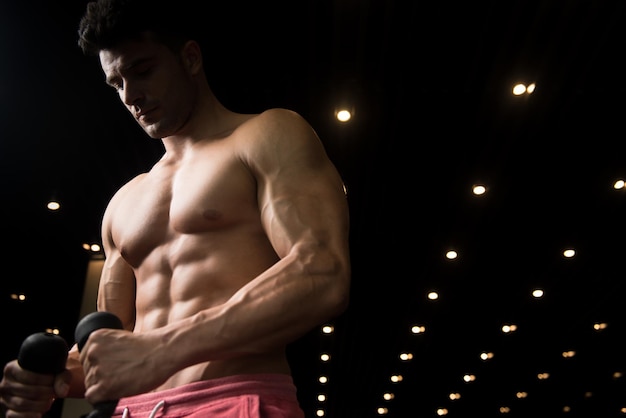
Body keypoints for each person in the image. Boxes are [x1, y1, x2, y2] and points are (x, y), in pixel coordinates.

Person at [0, 0, 351, 416]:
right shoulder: (125, 201)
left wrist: (162, 349)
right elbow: (114, 341)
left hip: (233, 398)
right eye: (116, 84)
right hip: (132, 410)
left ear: (189, 58)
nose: (131, 96)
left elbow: (321, 271)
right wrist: (51, 378)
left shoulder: (266, 135)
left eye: (143, 70)